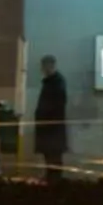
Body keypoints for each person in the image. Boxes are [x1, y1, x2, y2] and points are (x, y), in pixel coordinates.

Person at [33, 55, 69, 183]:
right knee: (50, 155)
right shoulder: (53, 82)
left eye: (44, 66)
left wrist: (45, 118)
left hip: (52, 127)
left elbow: (56, 104)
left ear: (50, 66)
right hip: (50, 127)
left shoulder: (55, 82)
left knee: (53, 155)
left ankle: (54, 179)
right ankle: (52, 177)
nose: (42, 69)